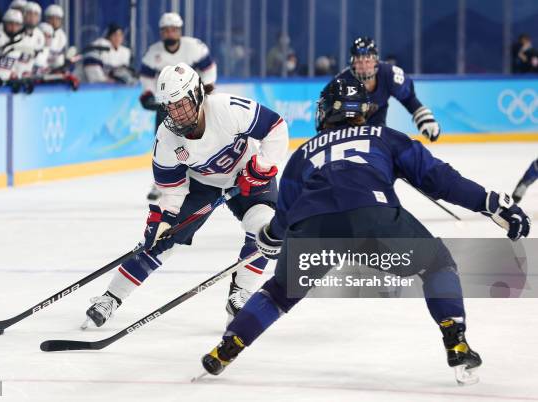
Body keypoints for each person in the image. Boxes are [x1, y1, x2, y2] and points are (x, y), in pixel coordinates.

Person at [200, 78, 531, 385]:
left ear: (328, 111)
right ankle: (456, 341)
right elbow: (440, 179)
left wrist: (271, 235)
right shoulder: (384, 136)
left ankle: (226, 349)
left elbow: (285, 215)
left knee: (278, 293)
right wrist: (490, 203)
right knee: (437, 264)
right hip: (373, 218)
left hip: (314, 228)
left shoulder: (304, 153)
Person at [81, 62, 289, 329]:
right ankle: (110, 297)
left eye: (181, 104)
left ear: (197, 95)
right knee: (161, 241)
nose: (177, 114)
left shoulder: (227, 109)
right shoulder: (166, 138)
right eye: (170, 106)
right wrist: (165, 219)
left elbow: (276, 128)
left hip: (247, 175)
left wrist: (260, 168)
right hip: (201, 183)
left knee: (265, 230)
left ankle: (241, 292)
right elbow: (172, 188)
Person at [139, 12, 217, 201]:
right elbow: (146, 76)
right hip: (166, 105)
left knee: (195, 139)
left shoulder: (194, 47)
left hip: (192, 103)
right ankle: (160, 182)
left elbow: (209, 69)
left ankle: (201, 178)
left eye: (173, 30)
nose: (170, 33)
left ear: (179, 31)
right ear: (161, 32)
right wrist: (148, 93)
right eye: (166, 30)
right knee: (163, 141)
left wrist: (204, 90)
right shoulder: (154, 52)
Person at [332, 37, 440, 142]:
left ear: (375, 62)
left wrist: (424, 119)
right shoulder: (340, 82)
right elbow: (327, 116)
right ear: (353, 63)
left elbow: (408, 98)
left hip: (378, 130)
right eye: (359, 61)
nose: (364, 66)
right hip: (348, 134)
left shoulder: (389, 74)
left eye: (368, 60)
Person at [43, 4, 67, 72]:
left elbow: (59, 60)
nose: (54, 21)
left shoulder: (62, 36)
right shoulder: (40, 32)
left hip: (54, 70)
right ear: (46, 19)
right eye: (51, 18)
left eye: (57, 19)